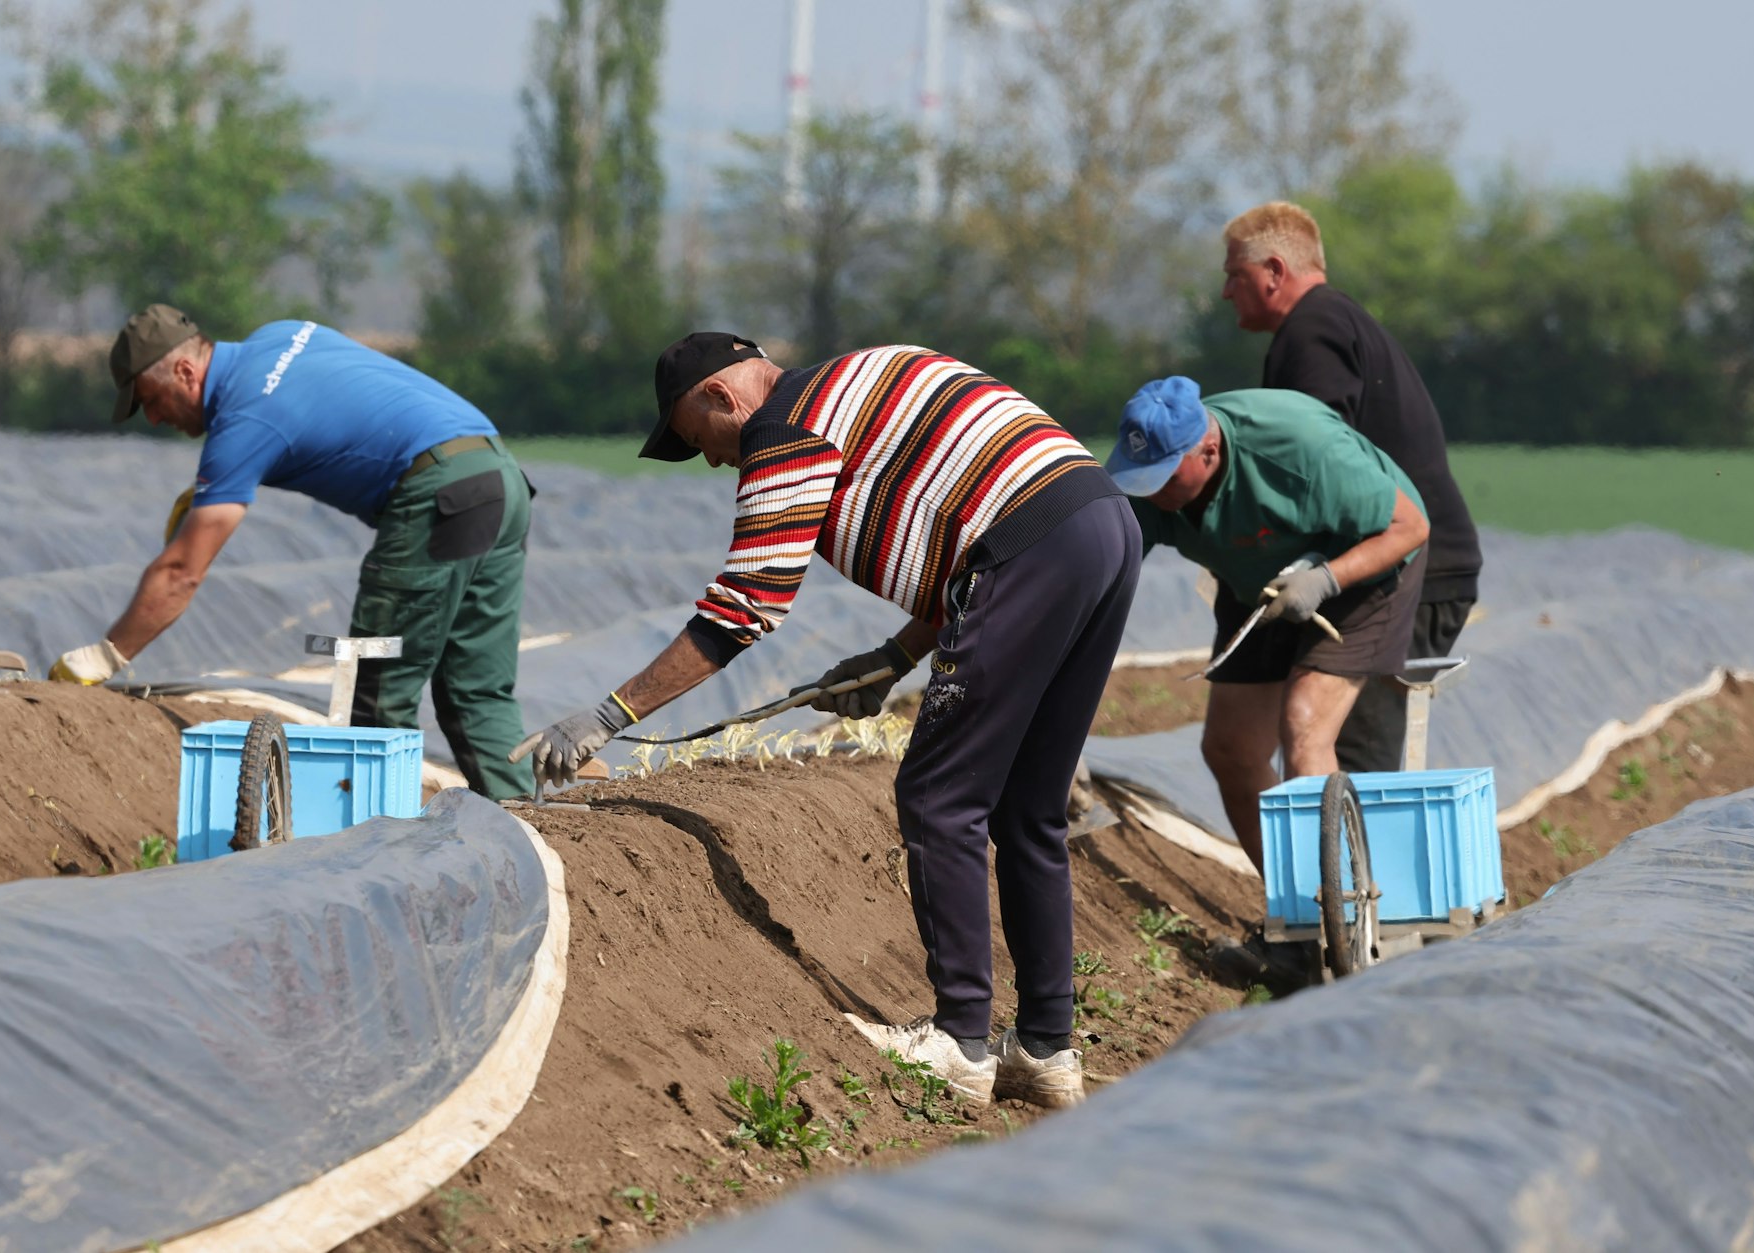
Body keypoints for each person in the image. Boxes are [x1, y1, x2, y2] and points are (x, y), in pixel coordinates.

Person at [514, 334, 1141, 1109]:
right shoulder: (849, 385)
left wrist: (609, 714)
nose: (711, 461)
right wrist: (894, 655)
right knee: (1029, 808)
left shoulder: (784, 428)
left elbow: (745, 606)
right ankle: (1046, 1048)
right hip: (1100, 528)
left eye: (697, 438)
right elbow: (971, 537)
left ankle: (959, 1038)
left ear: (720, 397)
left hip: (1032, 549)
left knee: (938, 796)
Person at [49, 304, 535, 800]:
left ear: (185, 372)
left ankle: (383, 840)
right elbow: (322, 405)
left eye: (151, 400)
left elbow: (181, 574)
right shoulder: (280, 334)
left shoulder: (243, 419)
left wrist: (104, 656)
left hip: (438, 493)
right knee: (477, 689)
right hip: (500, 477)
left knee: (377, 689)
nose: (154, 418)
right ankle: (529, 827)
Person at [1109, 377, 1429, 874]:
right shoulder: (1148, 493)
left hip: (1363, 569)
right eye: (1138, 476)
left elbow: (1409, 526)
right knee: (1231, 749)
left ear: (1209, 451)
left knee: (1305, 724)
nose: (1149, 490)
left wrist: (1325, 580)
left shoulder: (1300, 448)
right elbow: (1100, 581)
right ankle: (1293, 903)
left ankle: (1338, 905)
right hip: (1254, 579)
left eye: (1165, 475)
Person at [1221, 202, 1481, 771]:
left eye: (1235, 275)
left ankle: (1356, 836)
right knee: (1323, 743)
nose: (1225, 292)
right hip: (1402, 561)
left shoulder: (1313, 331)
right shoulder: (1327, 322)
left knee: (1351, 752)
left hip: (1405, 569)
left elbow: (1316, 460)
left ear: (1273, 271)